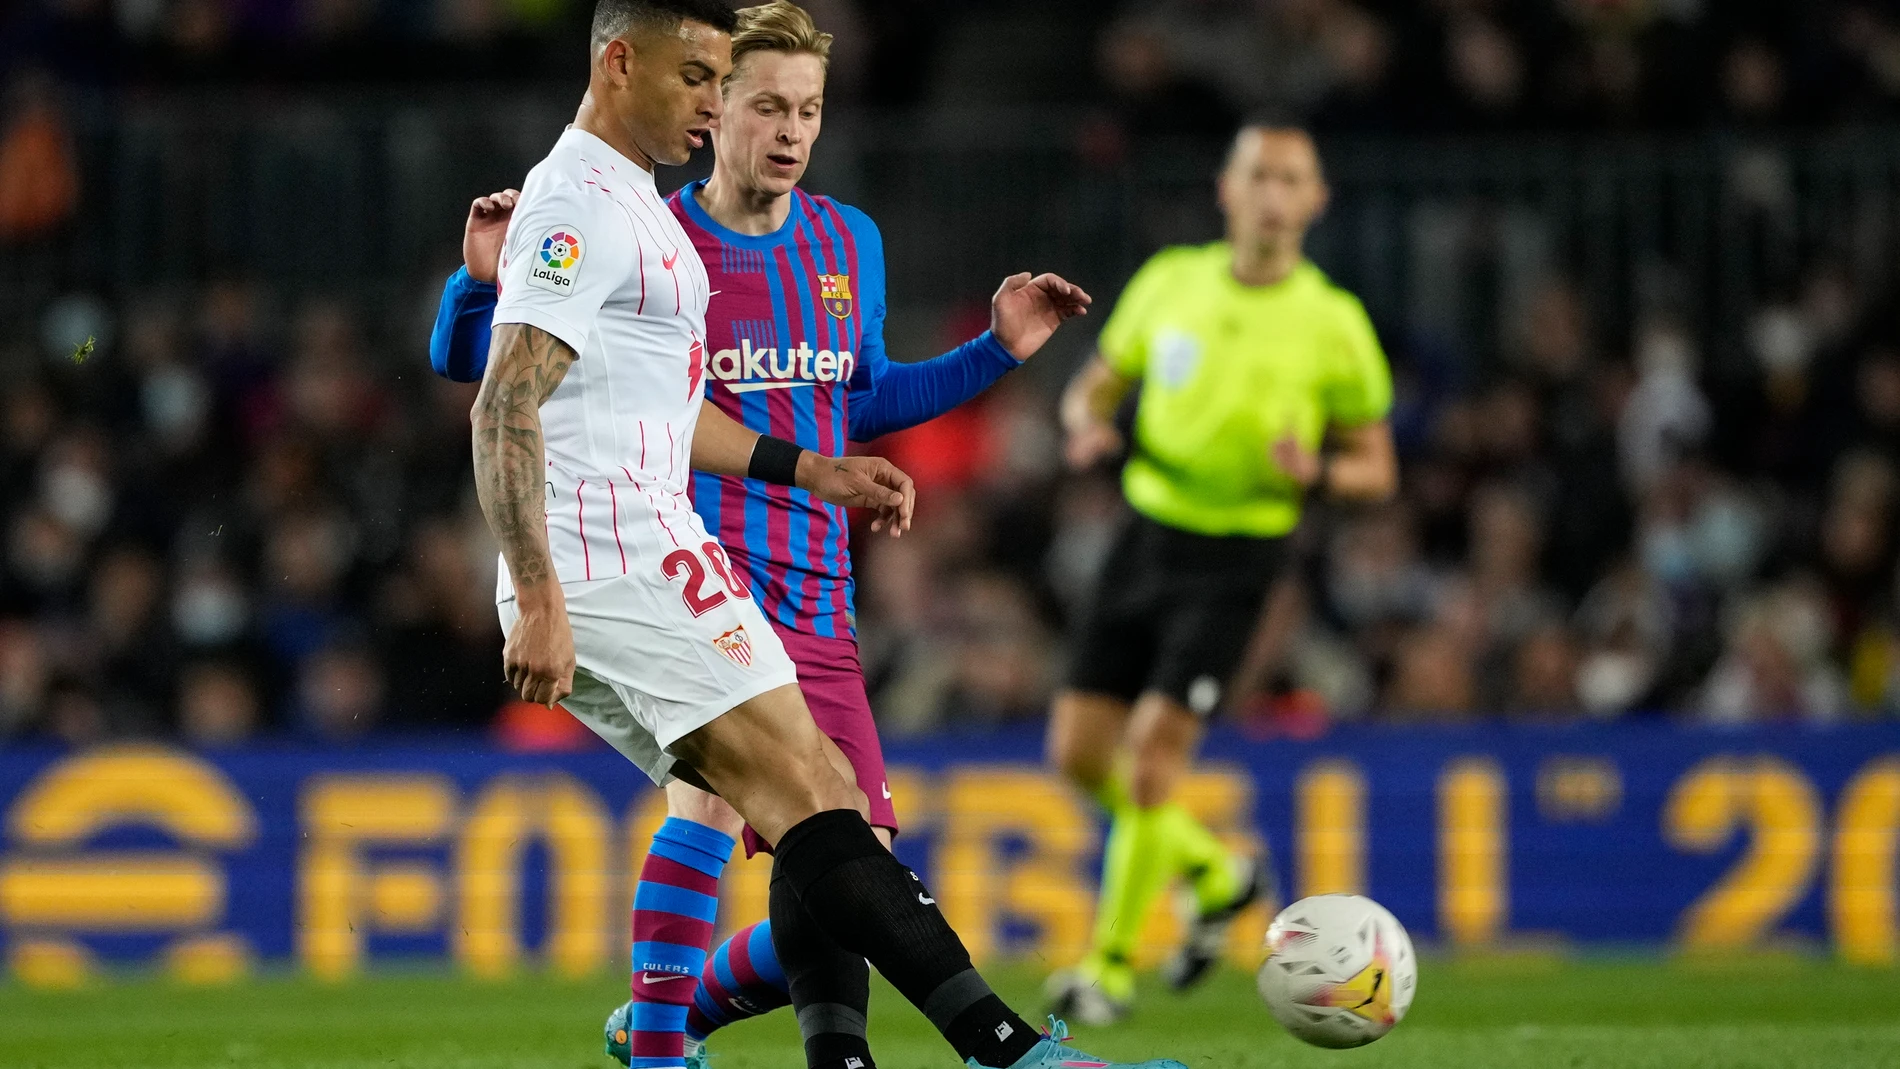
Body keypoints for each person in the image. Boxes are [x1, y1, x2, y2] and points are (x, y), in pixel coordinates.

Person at [454, 5, 1179, 1069]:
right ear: (620, 63)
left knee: (821, 818)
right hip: (621, 556)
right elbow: (497, 396)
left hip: (704, 558)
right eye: (706, 81)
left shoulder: (666, 214)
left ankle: (681, 1043)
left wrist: (817, 465)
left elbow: (679, 402)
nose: (715, 105)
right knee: (782, 808)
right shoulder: (583, 204)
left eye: (802, 106)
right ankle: (1012, 1052)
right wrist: (541, 589)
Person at [1047, 126, 1398, 1024]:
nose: (1274, 193)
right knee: (1078, 756)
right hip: (1143, 534)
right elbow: (1093, 385)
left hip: (1240, 557)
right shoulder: (1172, 282)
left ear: (1316, 201)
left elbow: (1377, 469)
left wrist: (1317, 471)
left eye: (1291, 178)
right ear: (1227, 190)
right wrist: (1085, 421)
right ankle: (1217, 869)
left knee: (1151, 758)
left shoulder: (1334, 322)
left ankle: (1109, 969)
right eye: (1258, 175)